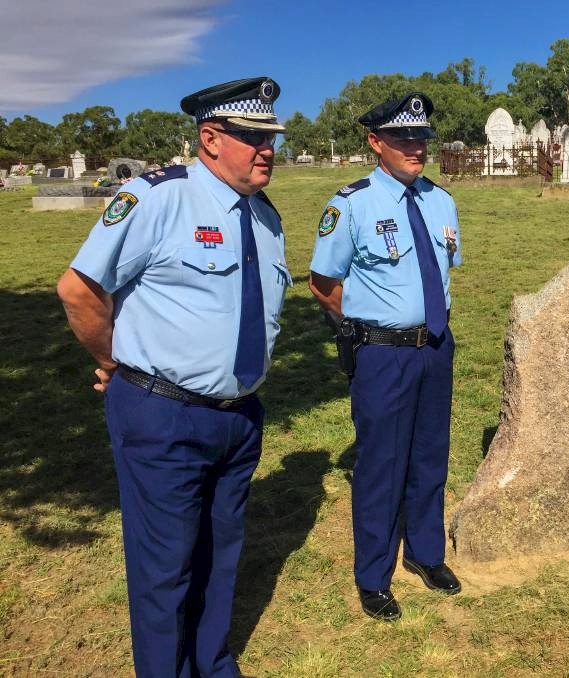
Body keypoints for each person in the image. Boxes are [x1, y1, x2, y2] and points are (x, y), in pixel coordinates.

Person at [57, 77, 291, 676]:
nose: (268, 149)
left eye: (273, 139)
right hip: (163, 416)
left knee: (221, 557)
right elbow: (80, 290)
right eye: (252, 138)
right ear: (210, 139)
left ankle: (211, 663)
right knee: (165, 570)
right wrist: (116, 362)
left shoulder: (266, 217)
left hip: (238, 418)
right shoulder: (158, 198)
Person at [308, 92, 463, 621]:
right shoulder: (350, 204)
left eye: (421, 139)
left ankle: (425, 554)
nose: (416, 148)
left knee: (429, 457)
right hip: (383, 354)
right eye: (403, 139)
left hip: (436, 348)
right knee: (380, 464)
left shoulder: (441, 200)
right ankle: (374, 576)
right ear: (376, 143)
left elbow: (445, 271)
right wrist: (364, 327)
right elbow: (324, 282)